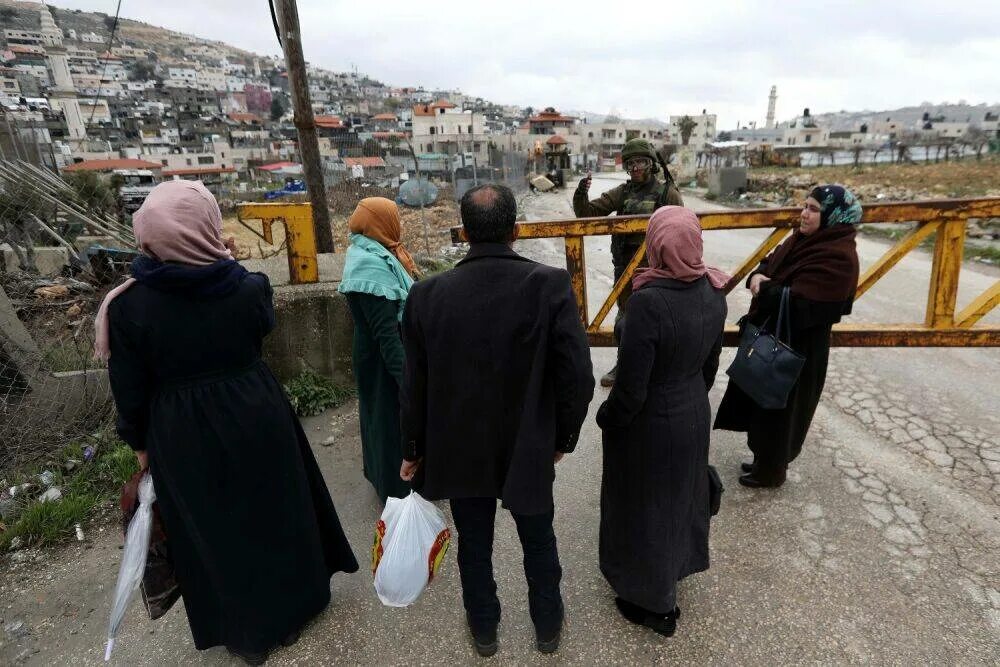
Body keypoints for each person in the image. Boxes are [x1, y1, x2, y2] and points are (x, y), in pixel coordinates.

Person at [95, 180, 358, 665]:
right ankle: (296, 607)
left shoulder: (128, 307)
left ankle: (245, 632)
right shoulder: (245, 286)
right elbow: (260, 324)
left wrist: (140, 446)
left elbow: (128, 390)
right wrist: (227, 263)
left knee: (213, 528)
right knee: (277, 509)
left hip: (180, 429)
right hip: (256, 410)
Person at [398, 184, 595, 657]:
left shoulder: (426, 295)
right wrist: (563, 435)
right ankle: (547, 625)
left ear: (464, 232)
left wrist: (412, 448)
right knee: (538, 539)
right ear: (515, 230)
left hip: (459, 444)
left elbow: (413, 384)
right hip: (528, 441)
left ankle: (485, 629)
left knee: (474, 543)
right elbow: (578, 375)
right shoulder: (548, 284)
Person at [596, 206, 728, 638]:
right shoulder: (714, 289)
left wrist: (607, 419)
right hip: (692, 409)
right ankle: (674, 572)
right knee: (678, 498)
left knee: (645, 505)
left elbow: (631, 389)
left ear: (654, 247)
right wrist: (688, 397)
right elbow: (709, 368)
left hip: (652, 421)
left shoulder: (648, 303)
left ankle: (656, 605)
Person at [715, 184, 862, 488]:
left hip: (801, 347)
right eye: (805, 206)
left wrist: (766, 287)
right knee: (763, 402)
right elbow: (770, 262)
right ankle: (762, 459)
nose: (804, 214)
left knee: (783, 411)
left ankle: (772, 470)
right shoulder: (802, 240)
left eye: (813, 209)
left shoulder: (839, 256)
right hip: (779, 335)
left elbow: (806, 303)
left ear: (834, 216)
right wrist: (759, 276)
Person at [573, 138, 684, 387]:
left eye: (641, 162)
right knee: (624, 319)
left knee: (658, 318)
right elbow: (587, 214)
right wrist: (582, 193)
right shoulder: (623, 192)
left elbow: (681, 236)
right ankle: (624, 363)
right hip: (624, 269)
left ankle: (656, 367)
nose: (635, 168)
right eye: (631, 164)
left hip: (657, 271)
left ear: (652, 164)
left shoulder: (668, 194)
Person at [338, 197, 417, 503]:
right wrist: (406, 379)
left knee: (379, 414)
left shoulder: (373, 251)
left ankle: (384, 477)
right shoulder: (372, 266)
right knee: (388, 416)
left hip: (374, 349)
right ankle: (396, 489)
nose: (401, 222)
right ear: (379, 223)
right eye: (394, 217)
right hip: (383, 355)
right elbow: (387, 334)